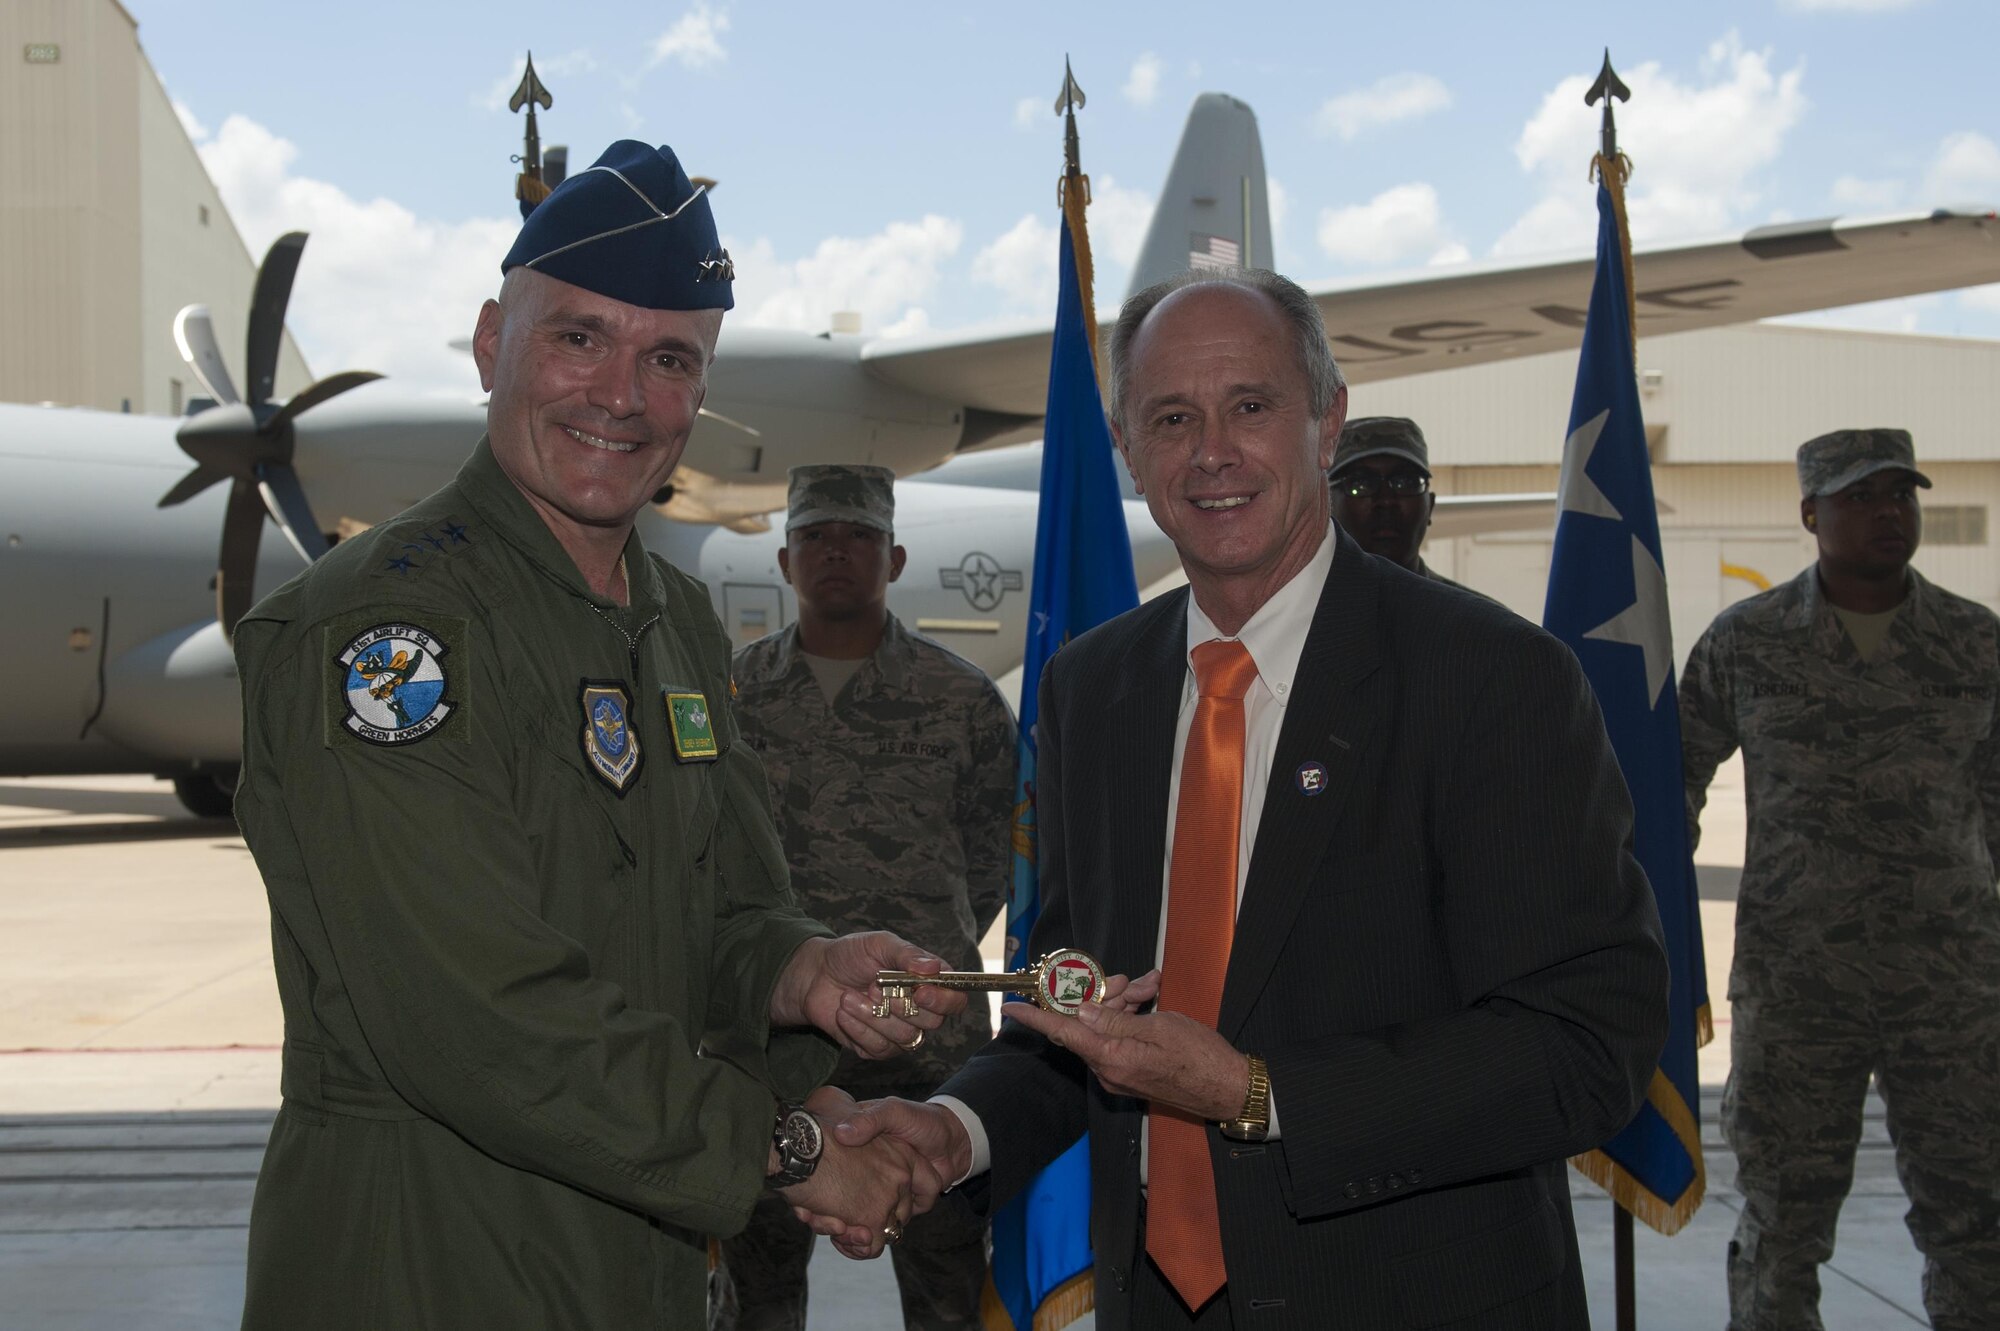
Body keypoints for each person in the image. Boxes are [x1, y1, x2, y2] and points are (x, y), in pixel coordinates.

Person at [819, 269, 1670, 1329]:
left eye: (1250, 406)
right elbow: (1079, 1003)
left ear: (1325, 422)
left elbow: (1587, 1046)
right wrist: (956, 1128)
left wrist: (1256, 1092)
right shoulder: (1095, 689)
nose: (1210, 451)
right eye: (1171, 417)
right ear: (1127, 452)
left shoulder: (1490, 679)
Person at [229, 141, 966, 1329]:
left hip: (641, 1255)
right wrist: (780, 1143)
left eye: (668, 357)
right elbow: (476, 1016)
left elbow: (713, 913)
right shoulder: (392, 632)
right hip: (430, 1258)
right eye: (579, 337)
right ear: (489, 343)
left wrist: (799, 976)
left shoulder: (667, 618)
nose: (622, 394)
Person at [1679, 428, 2000, 1331]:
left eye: (1901, 495)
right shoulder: (1748, 642)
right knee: (1786, 1219)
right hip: (1800, 983)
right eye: (1861, 498)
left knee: (1975, 1216)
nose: (1887, 514)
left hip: (1953, 988)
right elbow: (1673, 786)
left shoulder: (1976, 642)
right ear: (1812, 513)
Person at [723, 465, 1017, 1330]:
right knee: (756, 1298)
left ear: (892, 556)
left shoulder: (961, 699)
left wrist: (925, 962)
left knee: (947, 1298)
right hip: (774, 1049)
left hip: (929, 1051)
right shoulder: (731, 696)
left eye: (855, 536)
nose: (836, 553)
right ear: (784, 559)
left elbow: (993, 862)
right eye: (815, 536)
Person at [1325, 415, 1467, 587]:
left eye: (1405, 483)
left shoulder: (1474, 614)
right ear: (1326, 507)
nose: (1386, 501)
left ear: (1430, 505)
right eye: (1361, 483)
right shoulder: (1297, 611)